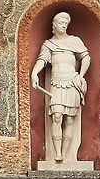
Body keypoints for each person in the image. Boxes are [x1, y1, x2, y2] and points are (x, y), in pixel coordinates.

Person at [31, 11, 92, 166]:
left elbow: (86, 57)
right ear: (54, 25)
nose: (64, 25)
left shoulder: (74, 41)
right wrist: (34, 73)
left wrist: (81, 75)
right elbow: (43, 60)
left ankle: (66, 156)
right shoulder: (49, 44)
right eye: (61, 22)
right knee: (57, 116)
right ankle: (57, 153)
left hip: (72, 82)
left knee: (70, 119)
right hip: (57, 83)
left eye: (66, 23)